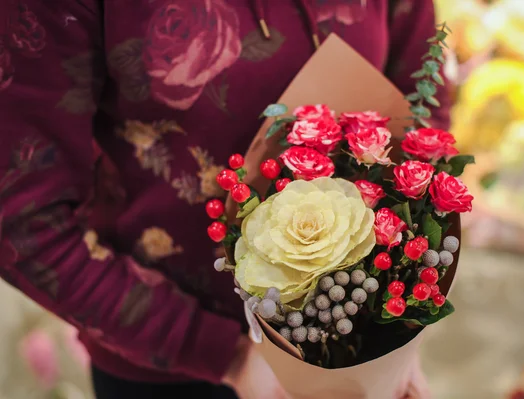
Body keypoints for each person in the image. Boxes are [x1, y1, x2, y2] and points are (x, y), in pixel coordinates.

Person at [0, 0, 449, 398]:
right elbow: (22, 222)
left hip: (359, 335)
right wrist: (226, 357)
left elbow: (422, 111)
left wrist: (405, 317)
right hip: (169, 364)